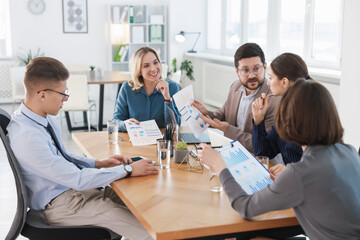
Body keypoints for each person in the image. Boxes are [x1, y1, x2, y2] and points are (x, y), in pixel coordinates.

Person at [7, 57, 159, 239]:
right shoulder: (27, 137)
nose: (66, 98)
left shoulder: (42, 119)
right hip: (62, 205)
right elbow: (77, 178)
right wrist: (127, 169)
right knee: (150, 232)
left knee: (145, 202)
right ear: (42, 95)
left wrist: (98, 163)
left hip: (75, 192)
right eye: (62, 93)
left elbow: (61, 157)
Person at [198, 79, 360, 239]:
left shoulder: (300, 173)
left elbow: (245, 207)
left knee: (247, 235)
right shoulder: (348, 152)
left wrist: (219, 166)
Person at [193, 43, 280, 153]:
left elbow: (261, 145)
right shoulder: (236, 86)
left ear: (265, 67)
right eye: (245, 70)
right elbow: (222, 114)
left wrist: (227, 129)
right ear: (237, 71)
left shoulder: (273, 98)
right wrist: (206, 112)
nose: (252, 75)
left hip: (258, 157)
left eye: (256, 69)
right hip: (232, 150)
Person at [251, 53, 309, 179]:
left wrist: (291, 171)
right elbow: (263, 152)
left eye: (270, 78)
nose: (268, 83)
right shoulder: (285, 112)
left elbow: (319, 167)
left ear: (284, 82)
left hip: (307, 189)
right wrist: (258, 120)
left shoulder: (310, 115)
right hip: (293, 185)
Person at [113, 47, 181, 131]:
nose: (153, 69)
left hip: (162, 141)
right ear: (139, 70)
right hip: (136, 141)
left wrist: (167, 99)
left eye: (155, 63)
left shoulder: (172, 87)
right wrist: (125, 124)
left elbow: (176, 125)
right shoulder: (127, 88)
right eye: (146, 66)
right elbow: (116, 121)